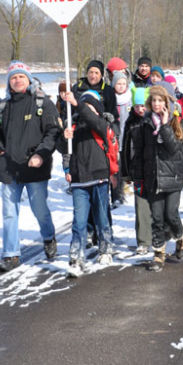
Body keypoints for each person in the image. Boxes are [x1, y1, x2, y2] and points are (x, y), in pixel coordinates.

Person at [0, 61, 61, 272]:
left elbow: (52, 132)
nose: (17, 80)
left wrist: (40, 154)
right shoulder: (2, 106)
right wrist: (0, 150)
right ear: (9, 82)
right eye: (13, 77)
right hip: (10, 168)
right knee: (9, 213)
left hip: (35, 167)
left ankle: (49, 237)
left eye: (21, 77)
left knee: (40, 210)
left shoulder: (42, 102)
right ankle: (11, 254)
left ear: (28, 79)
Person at [132, 82, 183, 272]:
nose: (156, 104)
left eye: (160, 100)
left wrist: (165, 125)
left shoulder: (177, 121)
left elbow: (174, 149)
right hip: (154, 177)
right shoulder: (146, 123)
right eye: (154, 100)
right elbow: (139, 152)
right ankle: (158, 254)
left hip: (173, 177)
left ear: (167, 101)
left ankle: (182, 237)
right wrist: (138, 178)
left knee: (170, 215)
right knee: (156, 217)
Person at [59, 90, 116, 277]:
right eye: (85, 106)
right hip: (79, 181)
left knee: (101, 217)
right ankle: (76, 257)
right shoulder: (73, 126)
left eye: (90, 107)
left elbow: (91, 118)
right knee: (79, 221)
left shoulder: (101, 124)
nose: (86, 111)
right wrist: (64, 137)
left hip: (98, 176)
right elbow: (63, 150)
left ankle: (106, 248)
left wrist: (78, 104)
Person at [121, 87, 153, 254]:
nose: (141, 109)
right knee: (141, 207)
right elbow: (125, 148)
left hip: (155, 171)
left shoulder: (155, 120)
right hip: (138, 171)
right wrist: (125, 172)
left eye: (143, 105)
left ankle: (161, 235)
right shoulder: (131, 123)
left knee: (158, 206)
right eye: (137, 106)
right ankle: (143, 240)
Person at [73, 60, 120, 134]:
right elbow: (68, 110)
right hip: (79, 130)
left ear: (101, 75)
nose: (93, 76)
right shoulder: (77, 88)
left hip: (100, 130)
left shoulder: (107, 90)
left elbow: (113, 114)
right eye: (91, 72)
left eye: (96, 73)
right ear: (87, 73)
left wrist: (114, 132)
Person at [112, 71, 133, 208]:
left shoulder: (130, 98)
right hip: (114, 139)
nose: (121, 86)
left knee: (125, 168)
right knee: (115, 169)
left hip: (127, 139)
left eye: (123, 84)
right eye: (118, 84)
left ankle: (123, 192)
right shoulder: (110, 99)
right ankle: (116, 196)